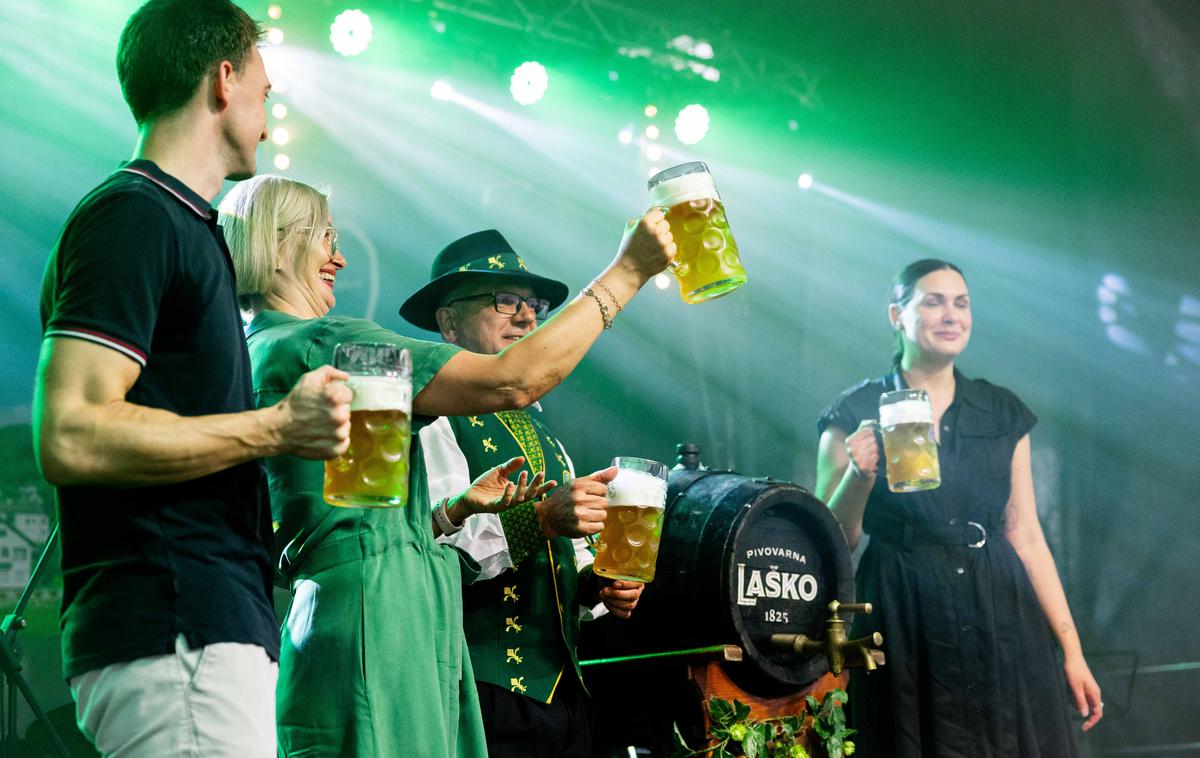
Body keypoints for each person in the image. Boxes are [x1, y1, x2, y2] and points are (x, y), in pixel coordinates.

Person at [217, 175, 673, 757]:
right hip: (384, 625)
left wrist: (452, 512)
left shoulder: (259, 350)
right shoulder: (330, 343)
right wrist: (628, 271)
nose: (341, 255)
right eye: (325, 236)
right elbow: (515, 378)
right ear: (278, 243)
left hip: (339, 613)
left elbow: (364, 521)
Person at [32, 2, 352, 756]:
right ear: (224, 77)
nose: (270, 121)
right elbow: (71, 433)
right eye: (266, 94)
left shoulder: (183, 227)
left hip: (203, 632)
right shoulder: (133, 216)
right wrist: (276, 427)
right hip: (173, 627)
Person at [814, 259, 1103, 757]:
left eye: (961, 303)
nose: (951, 315)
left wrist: (1072, 652)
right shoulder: (854, 411)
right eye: (933, 301)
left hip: (999, 607)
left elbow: (1026, 535)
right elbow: (833, 541)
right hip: (902, 607)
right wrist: (858, 476)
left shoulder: (1001, 410)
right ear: (896, 316)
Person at [402, 230, 645, 758]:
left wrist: (599, 586)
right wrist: (541, 521)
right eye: (504, 301)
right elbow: (430, 553)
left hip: (566, 695)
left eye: (532, 304)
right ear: (448, 323)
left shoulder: (551, 441)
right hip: (476, 692)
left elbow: (567, 568)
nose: (528, 317)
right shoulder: (432, 422)